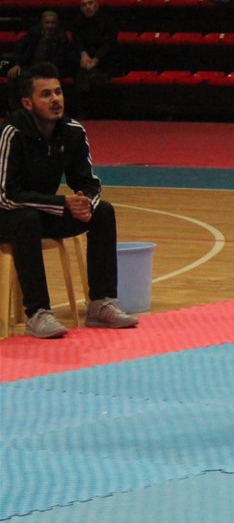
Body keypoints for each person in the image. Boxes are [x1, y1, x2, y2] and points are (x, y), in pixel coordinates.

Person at [0, 63, 138, 339]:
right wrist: (62, 204)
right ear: (28, 103)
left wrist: (85, 201)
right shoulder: (11, 132)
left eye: (58, 92)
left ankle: (101, 302)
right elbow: (7, 195)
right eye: (46, 95)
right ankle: (37, 313)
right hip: (7, 215)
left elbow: (89, 183)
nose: (55, 100)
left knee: (103, 211)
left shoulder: (72, 131)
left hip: (42, 212)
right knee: (26, 220)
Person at [71, 0, 121, 118]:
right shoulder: (77, 22)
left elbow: (109, 44)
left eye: (90, 3)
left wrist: (95, 60)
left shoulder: (108, 21)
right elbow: (77, 41)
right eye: (84, 5)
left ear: (96, 5)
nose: (88, 7)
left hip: (106, 60)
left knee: (87, 74)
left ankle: (88, 112)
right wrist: (83, 54)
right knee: (81, 69)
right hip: (85, 59)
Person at [7, 10, 75, 88]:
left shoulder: (62, 37)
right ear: (42, 23)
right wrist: (17, 64)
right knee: (13, 76)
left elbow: (59, 60)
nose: (50, 26)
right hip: (31, 66)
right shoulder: (33, 32)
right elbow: (20, 47)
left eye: (53, 23)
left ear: (57, 24)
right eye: (47, 23)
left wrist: (41, 70)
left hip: (50, 68)